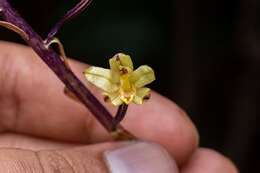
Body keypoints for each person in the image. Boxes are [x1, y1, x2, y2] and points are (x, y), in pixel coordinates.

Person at [0, 41, 238, 173]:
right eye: (121, 72)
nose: (123, 74)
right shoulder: (106, 83)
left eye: (126, 73)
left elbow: (142, 77)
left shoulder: (137, 82)